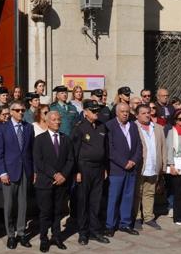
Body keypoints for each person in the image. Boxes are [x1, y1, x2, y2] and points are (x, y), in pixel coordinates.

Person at [33, 111, 74, 252]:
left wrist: (63, 175)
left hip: (61, 183)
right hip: (45, 182)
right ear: (47, 121)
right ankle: (44, 239)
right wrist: (54, 174)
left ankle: (56, 236)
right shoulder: (39, 139)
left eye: (59, 119)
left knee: (57, 211)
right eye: (54, 119)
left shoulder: (66, 139)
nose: (57, 122)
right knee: (45, 212)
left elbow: (70, 160)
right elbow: (39, 161)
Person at [71, 100, 111, 245]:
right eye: (93, 111)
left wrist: (106, 167)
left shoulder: (102, 126)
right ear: (85, 112)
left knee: (96, 201)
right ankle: (83, 232)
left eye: (97, 110)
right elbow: (74, 152)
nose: (96, 113)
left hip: (99, 169)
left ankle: (95, 231)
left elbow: (105, 149)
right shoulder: (79, 128)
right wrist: (76, 171)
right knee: (83, 201)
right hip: (84, 168)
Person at [0, 100, 34, 249]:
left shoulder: (28, 128)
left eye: (22, 110)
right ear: (11, 112)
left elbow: (32, 151)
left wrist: (34, 171)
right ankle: (10, 235)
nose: (21, 113)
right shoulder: (2, 128)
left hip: (25, 170)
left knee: (23, 204)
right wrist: (2, 172)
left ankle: (21, 233)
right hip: (9, 172)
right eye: (17, 110)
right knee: (9, 205)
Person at [105, 103, 143, 236]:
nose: (125, 114)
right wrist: (123, 162)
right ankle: (110, 225)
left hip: (131, 168)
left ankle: (125, 223)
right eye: (122, 111)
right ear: (116, 113)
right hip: (117, 169)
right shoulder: (109, 126)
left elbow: (139, 145)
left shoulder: (133, 125)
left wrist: (133, 160)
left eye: (127, 111)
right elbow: (110, 149)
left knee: (128, 197)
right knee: (114, 198)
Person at [133, 104, 166, 230]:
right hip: (140, 167)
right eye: (143, 113)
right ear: (137, 115)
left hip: (153, 166)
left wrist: (163, 166)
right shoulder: (133, 127)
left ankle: (148, 217)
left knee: (149, 193)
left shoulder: (157, 128)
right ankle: (136, 217)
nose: (147, 115)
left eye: (148, 112)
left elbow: (163, 147)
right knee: (137, 193)